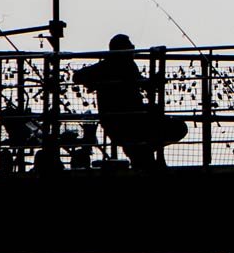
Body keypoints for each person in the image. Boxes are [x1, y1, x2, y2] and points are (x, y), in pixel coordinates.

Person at [73, 33, 190, 169]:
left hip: (123, 122)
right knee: (176, 128)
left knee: (153, 133)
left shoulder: (110, 66)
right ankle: (146, 155)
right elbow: (143, 84)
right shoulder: (116, 66)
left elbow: (78, 76)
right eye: (129, 46)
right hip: (129, 123)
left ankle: (144, 155)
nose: (133, 48)